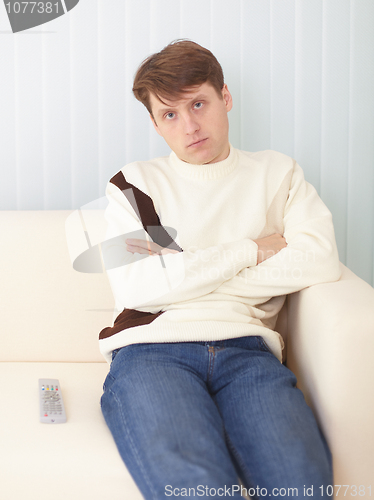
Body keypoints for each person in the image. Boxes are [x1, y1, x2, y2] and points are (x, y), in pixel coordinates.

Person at [99, 40, 341, 499]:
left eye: (198, 104)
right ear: (154, 123)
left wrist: (187, 275)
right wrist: (251, 249)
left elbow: (321, 257)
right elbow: (139, 286)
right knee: (199, 489)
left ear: (224, 98)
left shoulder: (278, 173)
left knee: (301, 484)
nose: (190, 125)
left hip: (248, 352)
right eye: (170, 114)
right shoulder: (133, 184)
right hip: (152, 352)